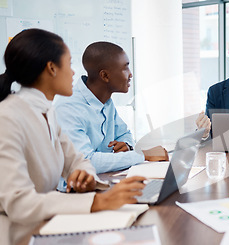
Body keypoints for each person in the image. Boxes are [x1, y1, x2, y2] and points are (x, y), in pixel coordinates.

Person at [0, 29, 147, 245]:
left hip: (50, 223)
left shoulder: (46, 111)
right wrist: (97, 201)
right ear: (51, 69)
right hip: (19, 234)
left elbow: (77, 160)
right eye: (68, 64)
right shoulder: (8, 117)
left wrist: (84, 177)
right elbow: (20, 203)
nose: (73, 73)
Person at [55, 42, 210, 174]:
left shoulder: (106, 102)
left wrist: (127, 145)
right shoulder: (69, 108)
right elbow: (86, 161)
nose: (130, 74)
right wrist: (143, 155)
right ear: (105, 76)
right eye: (125, 68)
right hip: (75, 192)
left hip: (107, 179)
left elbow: (125, 134)